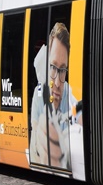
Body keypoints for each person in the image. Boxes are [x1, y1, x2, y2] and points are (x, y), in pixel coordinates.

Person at [29, 22, 79, 171]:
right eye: (53, 67)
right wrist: (39, 146)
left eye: (62, 70)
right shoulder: (39, 94)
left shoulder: (69, 94)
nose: (57, 82)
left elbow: (79, 116)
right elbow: (34, 138)